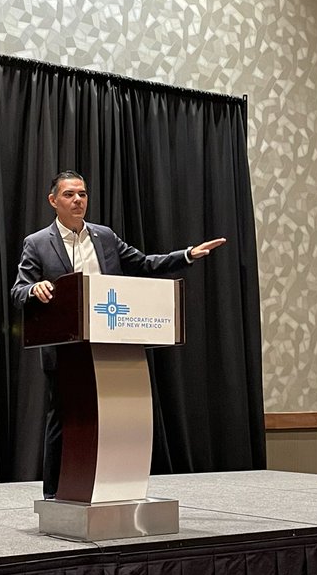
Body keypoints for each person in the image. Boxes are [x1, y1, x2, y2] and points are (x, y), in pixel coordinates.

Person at [12, 170, 225, 498]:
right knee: (65, 417)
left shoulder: (104, 237)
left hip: (110, 341)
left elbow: (143, 264)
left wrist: (186, 255)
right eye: (69, 195)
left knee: (111, 415)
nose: (78, 200)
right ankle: (54, 492)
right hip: (65, 349)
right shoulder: (37, 243)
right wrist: (34, 288)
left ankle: (112, 486)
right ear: (53, 201)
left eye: (82, 194)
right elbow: (18, 290)